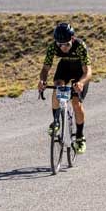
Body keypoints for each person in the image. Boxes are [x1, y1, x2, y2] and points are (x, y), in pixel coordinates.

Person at [38, 22, 92, 153]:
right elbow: (45, 68)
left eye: (67, 44)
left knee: (75, 103)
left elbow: (88, 71)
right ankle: (56, 120)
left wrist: (80, 83)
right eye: (60, 45)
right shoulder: (53, 47)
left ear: (72, 39)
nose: (63, 48)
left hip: (80, 71)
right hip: (65, 68)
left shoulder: (80, 46)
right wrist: (42, 80)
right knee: (58, 89)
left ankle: (79, 136)